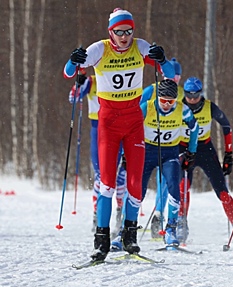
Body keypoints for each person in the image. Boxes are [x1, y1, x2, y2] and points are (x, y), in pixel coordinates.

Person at [63, 7, 174, 261]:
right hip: (109, 123)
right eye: (119, 31)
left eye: (129, 31)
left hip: (134, 121)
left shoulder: (140, 46)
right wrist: (73, 59)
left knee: (135, 183)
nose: (124, 36)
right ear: (110, 32)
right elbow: (69, 73)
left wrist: (163, 59)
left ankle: (129, 237)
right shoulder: (99, 49)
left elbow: (169, 76)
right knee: (108, 182)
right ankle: (101, 240)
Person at [177, 77, 233, 244]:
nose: (192, 99)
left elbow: (226, 126)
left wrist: (228, 154)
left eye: (196, 95)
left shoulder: (209, 107)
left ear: (201, 94)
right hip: (183, 149)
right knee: (182, 189)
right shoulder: (179, 106)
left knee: (222, 191)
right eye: (189, 96)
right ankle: (181, 225)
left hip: (205, 149)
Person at [136, 79, 198, 247]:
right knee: (138, 190)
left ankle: (171, 228)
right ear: (157, 98)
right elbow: (131, 127)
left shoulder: (182, 109)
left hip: (170, 153)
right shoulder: (147, 107)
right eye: (163, 100)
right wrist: (129, 151)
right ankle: (127, 230)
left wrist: (191, 151)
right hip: (148, 152)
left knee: (173, 185)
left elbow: (194, 128)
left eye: (171, 101)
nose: (166, 105)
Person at [69, 69, 127, 237]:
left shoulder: (120, 77)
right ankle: (97, 215)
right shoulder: (92, 81)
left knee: (122, 173)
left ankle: (120, 214)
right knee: (101, 175)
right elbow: (74, 99)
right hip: (98, 128)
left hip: (119, 126)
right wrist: (78, 83)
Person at [139, 57, 184, 239]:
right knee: (148, 181)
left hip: (172, 142)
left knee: (168, 181)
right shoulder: (152, 90)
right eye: (170, 77)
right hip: (150, 141)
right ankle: (127, 220)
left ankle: (160, 216)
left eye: (177, 77)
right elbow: (138, 109)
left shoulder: (179, 93)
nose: (173, 81)